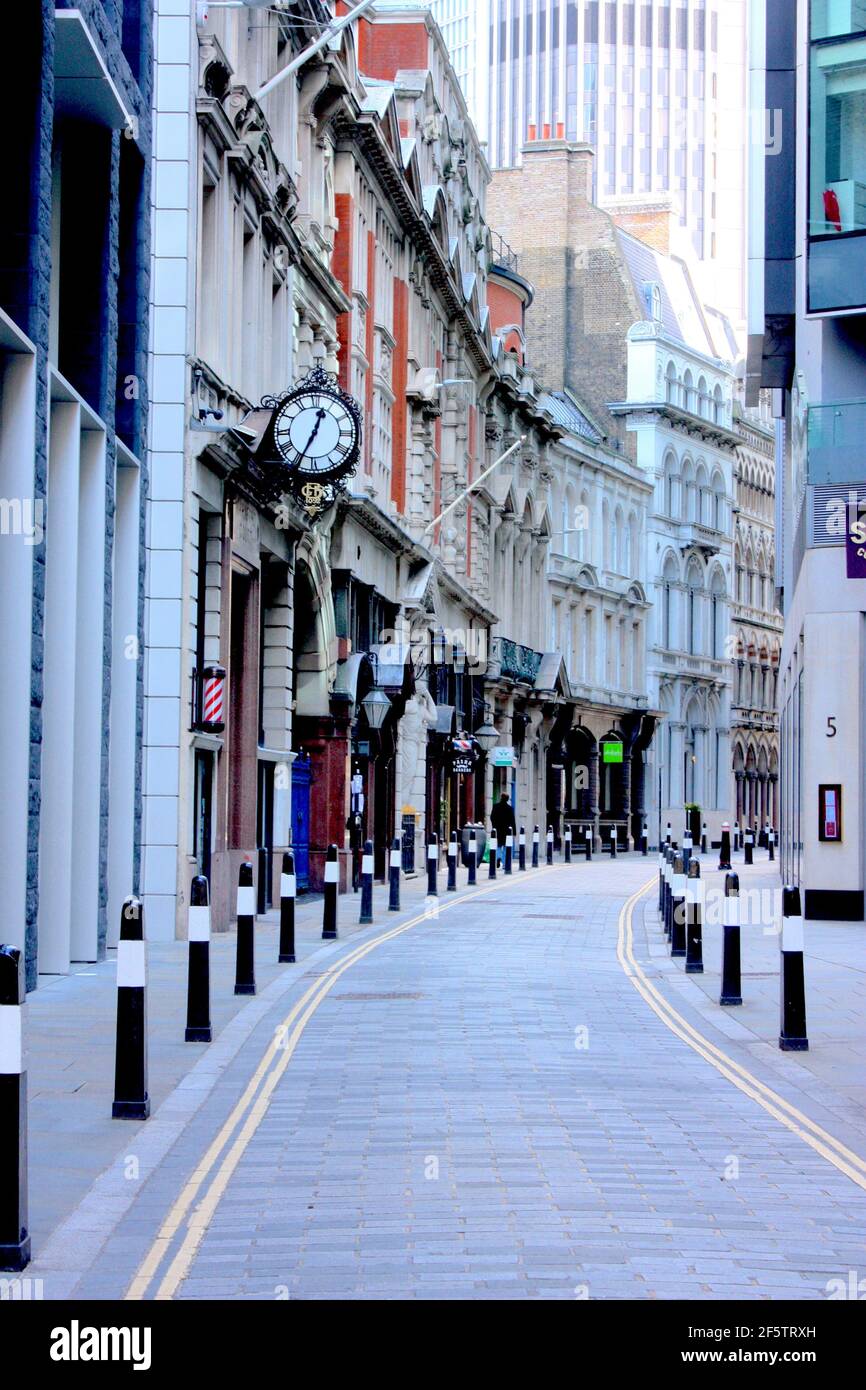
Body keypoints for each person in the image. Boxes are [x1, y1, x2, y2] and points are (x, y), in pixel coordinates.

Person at [490, 793, 516, 864]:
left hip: (497, 830)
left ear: (501, 798)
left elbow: (492, 817)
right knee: (505, 846)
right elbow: (512, 821)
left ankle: (498, 857)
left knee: (498, 845)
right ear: (507, 799)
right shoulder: (510, 808)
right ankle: (504, 864)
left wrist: (494, 826)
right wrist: (514, 832)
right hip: (506, 831)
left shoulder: (495, 806)